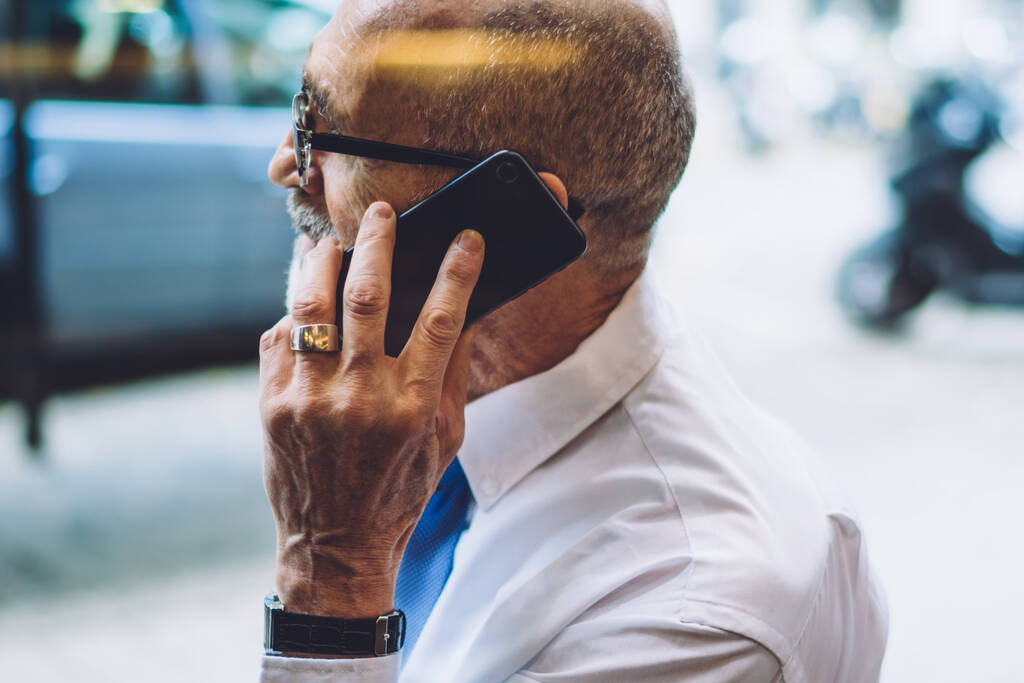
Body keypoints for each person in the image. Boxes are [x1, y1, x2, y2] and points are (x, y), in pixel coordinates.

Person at [258, 0, 889, 681]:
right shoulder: (382, 423)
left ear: (505, 216)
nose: (288, 167)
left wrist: (331, 579)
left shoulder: (691, 604)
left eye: (321, 128)